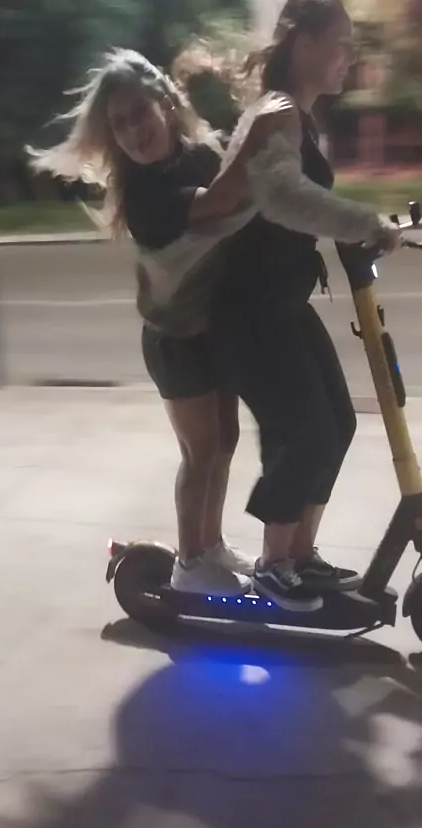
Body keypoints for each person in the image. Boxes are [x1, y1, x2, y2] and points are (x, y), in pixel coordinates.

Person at [27, 49, 290, 595]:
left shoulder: (199, 153)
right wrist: (262, 126)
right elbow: (223, 197)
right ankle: (190, 563)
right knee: (199, 453)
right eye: (119, 124)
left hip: (211, 327)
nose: (132, 132)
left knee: (225, 440)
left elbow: (242, 176)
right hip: (174, 340)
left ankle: (211, 545)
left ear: (166, 104)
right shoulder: (145, 197)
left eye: (139, 113)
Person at [208, 0, 402, 612]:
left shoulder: (301, 117)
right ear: (304, 44)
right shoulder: (277, 112)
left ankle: (299, 554)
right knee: (307, 432)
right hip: (248, 309)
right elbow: (283, 198)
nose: (348, 56)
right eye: (340, 43)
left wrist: (368, 224)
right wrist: (364, 221)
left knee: (338, 424)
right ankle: (273, 565)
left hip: (282, 301)